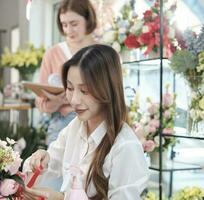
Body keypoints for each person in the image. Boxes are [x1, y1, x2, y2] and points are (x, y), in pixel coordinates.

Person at [24, 44, 149, 200]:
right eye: (69, 88)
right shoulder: (75, 127)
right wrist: (41, 159)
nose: (74, 100)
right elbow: (50, 164)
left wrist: (62, 199)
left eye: (85, 91)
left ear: (107, 89)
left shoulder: (125, 146)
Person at [36, 0, 98, 145]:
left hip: (97, 124)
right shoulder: (53, 54)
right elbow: (40, 101)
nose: (69, 30)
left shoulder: (101, 52)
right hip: (61, 125)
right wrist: (56, 102)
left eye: (74, 24)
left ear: (87, 20)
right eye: (64, 24)